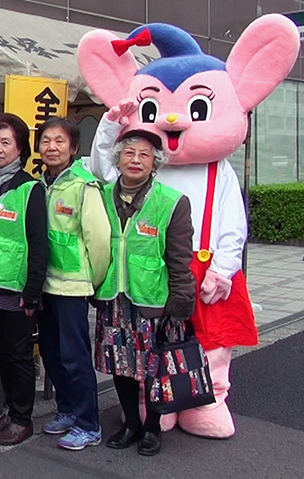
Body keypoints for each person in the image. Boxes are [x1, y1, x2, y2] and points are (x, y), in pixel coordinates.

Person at [94, 130, 195, 456]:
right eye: (129, 153)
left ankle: (152, 426)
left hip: (152, 299)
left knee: (153, 367)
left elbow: (180, 258)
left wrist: (180, 302)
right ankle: (131, 424)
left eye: (144, 155)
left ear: (155, 164)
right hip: (114, 297)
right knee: (120, 364)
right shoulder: (102, 196)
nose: (135, 160)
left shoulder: (171, 202)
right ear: (118, 159)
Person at [35, 118, 111, 451]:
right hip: (45, 285)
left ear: (74, 148)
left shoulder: (83, 185)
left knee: (74, 357)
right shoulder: (41, 184)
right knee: (52, 352)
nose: (51, 147)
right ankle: (66, 409)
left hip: (73, 287)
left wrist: (92, 282)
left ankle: (88, 423)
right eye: (46, 141)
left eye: (59, 141)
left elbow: (99, 240)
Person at [0, 113, 48, 447]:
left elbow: (38, 243)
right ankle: (8, 410)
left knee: (19, 354)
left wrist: (32, 293)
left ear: (20, 149)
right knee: (2, 351)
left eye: (6, 142)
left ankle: (22, 419)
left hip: (15, 288)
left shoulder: (29, 188)